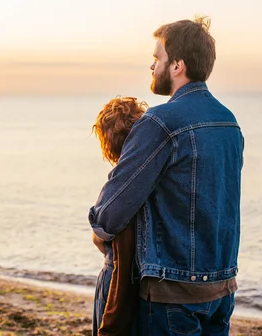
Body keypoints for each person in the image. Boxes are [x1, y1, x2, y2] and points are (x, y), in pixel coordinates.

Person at [88, 17, 244, 335]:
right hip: (222, 290)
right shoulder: (229, 122)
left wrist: (99, 231)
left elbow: (111, 212)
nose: (152, 65)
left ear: (177, 66)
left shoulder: (161, 122)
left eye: (157, 58)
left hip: (172, 296)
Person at [91, 96, 148, 336]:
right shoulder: (155, 173)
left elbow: (98, 235)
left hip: (115, 274)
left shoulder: (119, 181)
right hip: (150, 281)